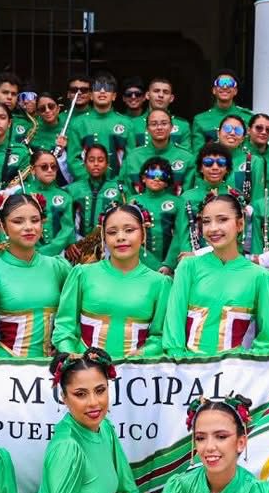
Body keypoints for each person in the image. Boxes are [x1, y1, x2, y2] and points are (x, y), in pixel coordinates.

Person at [12, 350, 156, 493]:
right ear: (64, 397)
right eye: (80, 394)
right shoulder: (68, 448)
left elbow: (127, 487)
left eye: (100, 390)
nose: (94, 402)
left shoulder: (104, 427)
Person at [163, 191, 269, 356]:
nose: (213, 228)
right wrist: (180, 360)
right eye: (206, 221)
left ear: (240, 224)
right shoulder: (188, 266)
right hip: (189, 367)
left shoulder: (260, 276)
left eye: (222, 220)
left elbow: (268, 340)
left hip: (237, 369)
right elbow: (174, 324)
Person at [53, 203, 171, 359]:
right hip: (85, 369)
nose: (120, 237)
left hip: (136, 371)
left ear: (143, 234)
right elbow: (64, 326)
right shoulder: (82, 274)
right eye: (112, 232)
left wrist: (143, 354)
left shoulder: (160, 283)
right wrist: (73, 356)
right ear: (104, 237)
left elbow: (160, 335)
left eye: (129, 230)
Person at [0, 192, 72, 357]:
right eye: (18, 221)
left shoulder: (58, 267)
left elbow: (75, 317)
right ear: (2, 226)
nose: (29, 227)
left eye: (35, 220)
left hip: (52, 367)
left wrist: (64, 349)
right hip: (8, 365)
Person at [166, 143, 233, 269]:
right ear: (200, 168)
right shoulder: (187, 197)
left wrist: (198, 253)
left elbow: (237, 237)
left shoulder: (234, 196)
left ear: (227, 168)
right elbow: (181, 233)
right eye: (208, 163)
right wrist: (169, 265)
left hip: (227, 262)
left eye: (221, 163)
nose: (215, 167)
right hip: (193, 263)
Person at [71, 75, 129, 182]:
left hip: (117, 185)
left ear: (114, 96)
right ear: (91, 96)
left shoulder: (127, 123)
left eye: (107, 88)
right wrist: (90, 180)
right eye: (97, 88)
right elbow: (73, 159)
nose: (102, 91)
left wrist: (117, 182)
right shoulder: (78, 123)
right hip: (86, 185)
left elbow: (130, 158)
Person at [123, 107, 193, 191]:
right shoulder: (133, 157)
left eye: (164, 123)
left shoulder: (187, 157)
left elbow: (189, 191)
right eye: (154, 124)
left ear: (171, 127)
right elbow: (126, 189)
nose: (159, 127)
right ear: (147, 129)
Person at [23, 148, 77, 255]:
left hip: (56, 254)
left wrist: (47, 251)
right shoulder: (23, 192)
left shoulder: (65, 196)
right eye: (44, 167)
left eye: (53, 167)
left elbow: (67, 229)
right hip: (26, 253)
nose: (50, 170)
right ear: (33, 170)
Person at [130, 157, 180, 271]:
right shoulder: (132, 201)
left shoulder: (178, 202)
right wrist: (154, 265)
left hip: (170, 266)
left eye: (162, 176)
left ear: (167, 182)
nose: (157, 179)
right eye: (152, 174)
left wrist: (168, 265)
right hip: (138, 263)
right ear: (143, 178)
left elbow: (180, 234)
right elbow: (129, 235)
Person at [67, 143, 126, 238]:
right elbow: (67, 221)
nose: (96, 164)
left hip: (110, 241)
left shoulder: (118, 188)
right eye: (91, 160)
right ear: (84, 163)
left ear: (107, 164)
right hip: (81, 241)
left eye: (101, 160)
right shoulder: (73, 189)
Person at [192, 70, 251, 144]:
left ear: (235, 91)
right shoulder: (200, 120)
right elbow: (198, 150)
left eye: (230, 83)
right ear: (214, 90)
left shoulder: (248, 118)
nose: (225, 87)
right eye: (220, 83)